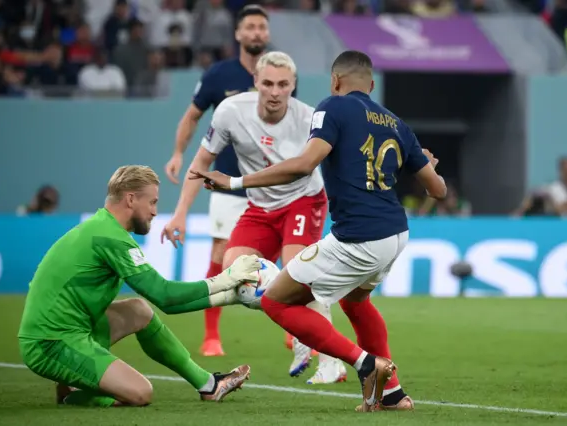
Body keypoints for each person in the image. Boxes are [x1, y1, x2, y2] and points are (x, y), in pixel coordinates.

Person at [190, 50, 447, 411]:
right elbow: (437, 190)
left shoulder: (331, 107)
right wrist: (427, 167)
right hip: (396, 234)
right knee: (355, 300)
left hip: (358, 237)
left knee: (276, 300)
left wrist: (234, 181)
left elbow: (304, 165)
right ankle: (393, 394)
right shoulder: (395, 123)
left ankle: (366, 364)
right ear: (371, 85)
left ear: (335, 81)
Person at [163, 51, 346, 384]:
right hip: (260, 206)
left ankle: (331, 362)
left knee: (299, 274)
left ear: (293, 86)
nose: (275, 91)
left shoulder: (309, 119)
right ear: (255, 84)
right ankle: (300, 328)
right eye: (268, 83)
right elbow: (201, 163)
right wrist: (180, 213)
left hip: (303, 201)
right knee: (239, 273)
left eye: (283, 85)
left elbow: (335, 163)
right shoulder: (230, 112)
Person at [18, 165, 261, 408]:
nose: (155, 212)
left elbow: (167, 300)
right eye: (152, 202)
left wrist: (229, 296)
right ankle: (73, 395)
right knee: (140, 393)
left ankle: (209, 385)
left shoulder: (105, 228)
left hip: (75, 329)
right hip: (50, 343)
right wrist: (225, 279)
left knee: (138, 311)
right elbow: (165, 296)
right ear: (131, 199)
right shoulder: (110, 238)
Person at [163, 5, 298, 357]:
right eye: (250, 27)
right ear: (238, 34)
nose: (256, 33)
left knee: (291, 256)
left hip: (271, 186)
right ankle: (211, 336)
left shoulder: (280, 76)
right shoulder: (218, 75)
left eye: (261, 27)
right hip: (228, 183)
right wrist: (178, 153)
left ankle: (295, 328)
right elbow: (192, 117)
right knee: (222, 256)